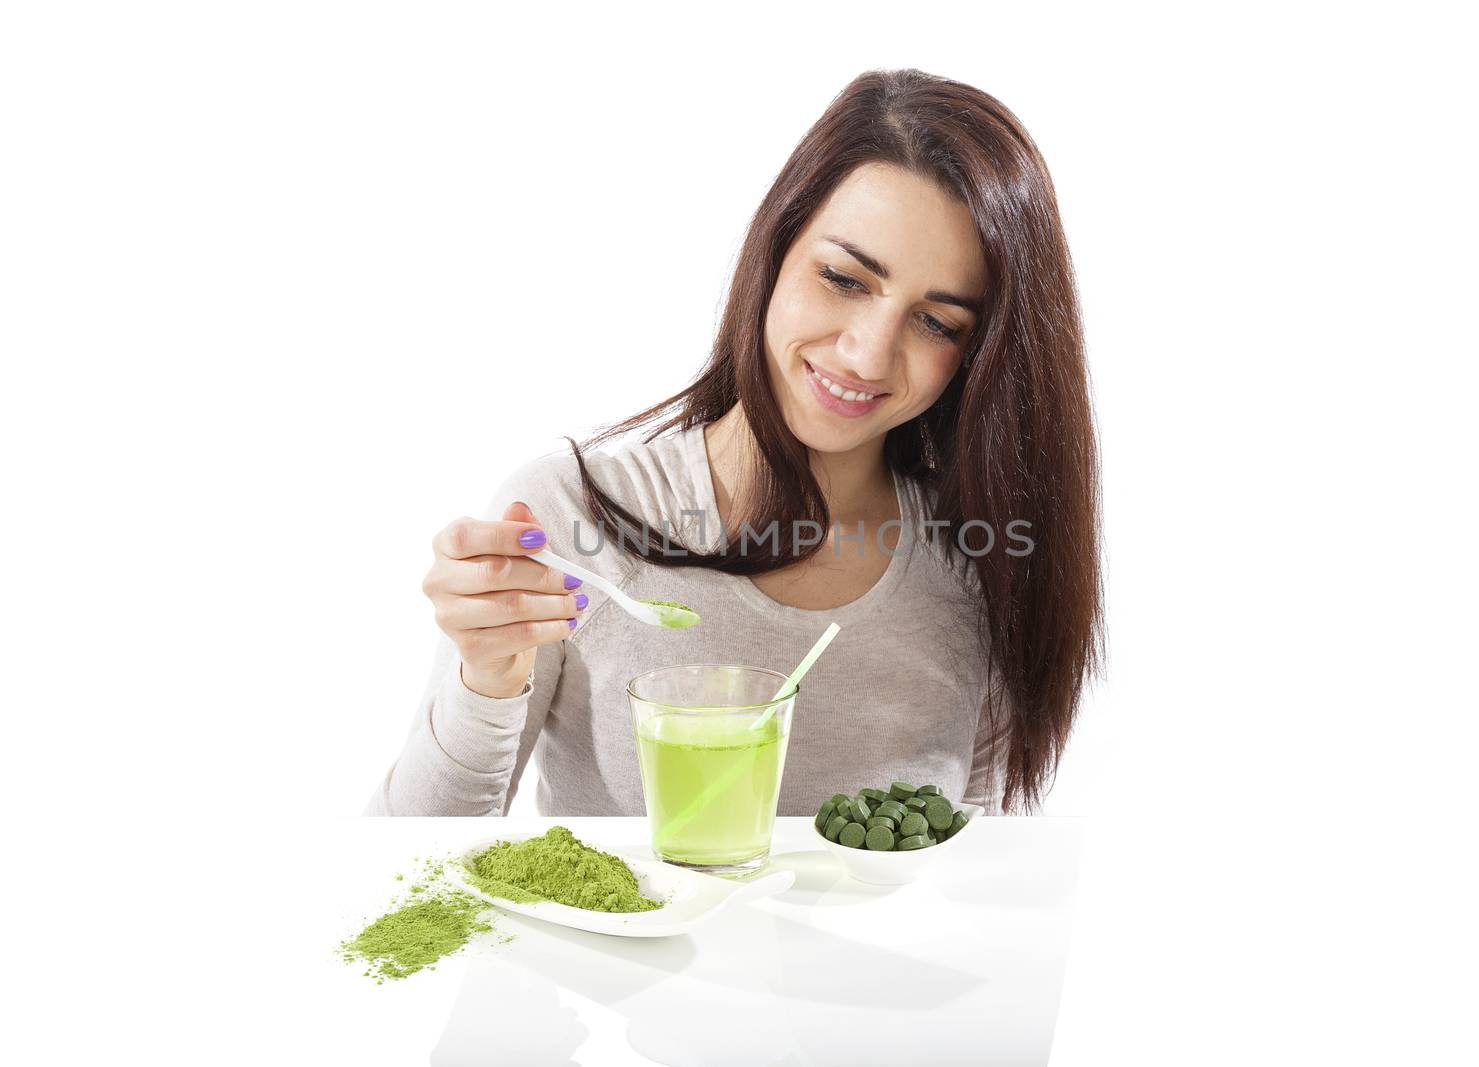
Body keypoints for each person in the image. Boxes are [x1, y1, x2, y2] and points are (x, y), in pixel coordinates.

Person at [364, 68, 1103, 818]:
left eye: (938, 322)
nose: (867, 356)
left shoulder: (975, 567)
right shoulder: (572, 520)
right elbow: (401, 865)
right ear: (774, 251)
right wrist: (486, 678)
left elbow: (972, 877)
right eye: (845, 278)